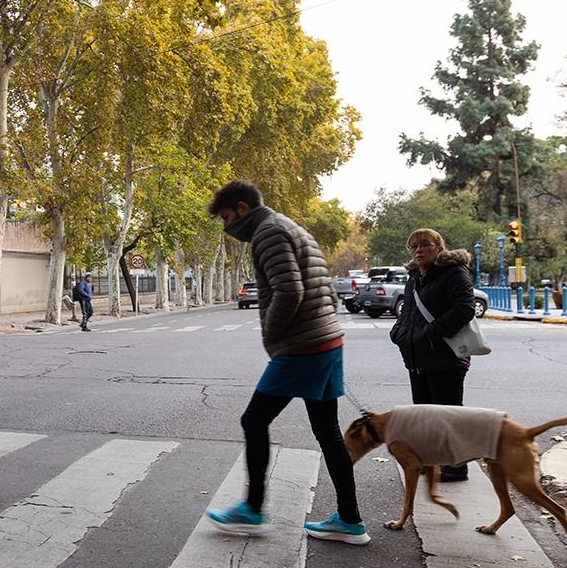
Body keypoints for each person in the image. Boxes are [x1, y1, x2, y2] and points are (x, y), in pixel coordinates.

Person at [203, 180, 368, 545]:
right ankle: (350, 520)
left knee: (254, 419)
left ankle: (252, 510)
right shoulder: (289, 226)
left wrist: (273, 338)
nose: (227, 227)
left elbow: (289, 290)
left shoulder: (267, 233)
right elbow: (322, 285)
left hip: (302, 345)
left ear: (242, 209)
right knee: (326, 431)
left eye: (227, 218)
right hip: (325, 339)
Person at [389, 228, 477, 482]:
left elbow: (464, 309)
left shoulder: (453, 273)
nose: (418, 250)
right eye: (413, 246)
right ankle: (433, 461)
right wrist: (398, 333)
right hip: (417, 357)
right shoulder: (415, 276)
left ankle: (457, 466)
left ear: (439, 247)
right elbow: (408, 312)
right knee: (425, 413)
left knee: (448, 414)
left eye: (425, 244)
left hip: (445, 356)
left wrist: (428, 334)